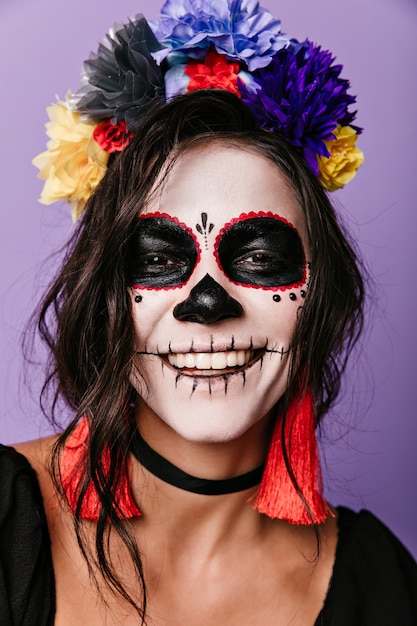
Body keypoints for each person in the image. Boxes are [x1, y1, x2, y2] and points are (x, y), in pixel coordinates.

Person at [1, 1, 416, 624]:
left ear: (319, 293)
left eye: (256, 257)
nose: (207, 303)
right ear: (104, 293)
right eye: (159, 259)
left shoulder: (380, 585)